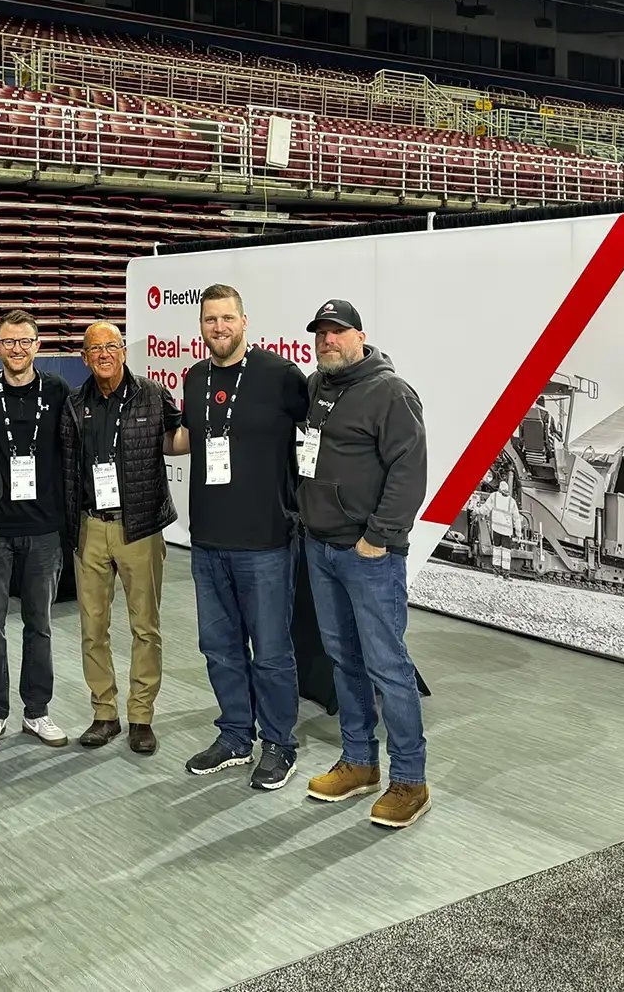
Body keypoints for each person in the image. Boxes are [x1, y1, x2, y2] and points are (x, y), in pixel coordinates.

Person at [296, 298, 431, 829]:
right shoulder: (315, 389)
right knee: (343, 660)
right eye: (320, 333)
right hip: (320, 547)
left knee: (387, 666)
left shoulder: (390, 392)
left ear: (360, 335)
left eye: (337, 332)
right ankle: (359, 762)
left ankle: (410, 780)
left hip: (367, 554)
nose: (328, 341)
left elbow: (409, 469)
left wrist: (380, 538)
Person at [176, 284, 309, 790]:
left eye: (227, 318)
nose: (219, 328)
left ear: (245, 321)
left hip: (267, 541)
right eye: (210, 320)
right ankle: (235, 735)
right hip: (208, 540)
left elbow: (320, 428)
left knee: (271, 651)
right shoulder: (194, 378)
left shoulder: (279, 376)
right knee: (219, 647)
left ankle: (279, 743)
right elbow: (191, 437)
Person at [59, 320, 182, 755]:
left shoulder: (152, 395)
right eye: (96, 349)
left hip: (140, 527)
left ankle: (141, 716)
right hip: (90, 527)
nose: (105, 354)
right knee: (93, 626)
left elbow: (179, 437)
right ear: (85, 358)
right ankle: (105, 712)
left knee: (144, 627)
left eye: (112, 346)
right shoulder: (74, 404)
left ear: (123, 351)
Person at [0, 309, 71, 751]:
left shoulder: (59, 390)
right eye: (8, 341)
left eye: (25, 341)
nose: (17, 349)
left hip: (45, 530)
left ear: (37, 345)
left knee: (39, 625)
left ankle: (37, 711)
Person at [487, 477, 519, 576]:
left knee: (496, 549)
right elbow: (516, 519)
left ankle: (496, 571)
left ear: (499, 489)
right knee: (506, 552)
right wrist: (518, 533)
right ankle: (505, 573)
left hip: (496, 529)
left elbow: (485, 509)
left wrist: (476, 510)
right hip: (507, 531)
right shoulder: (512, 501)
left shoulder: (494, 496)